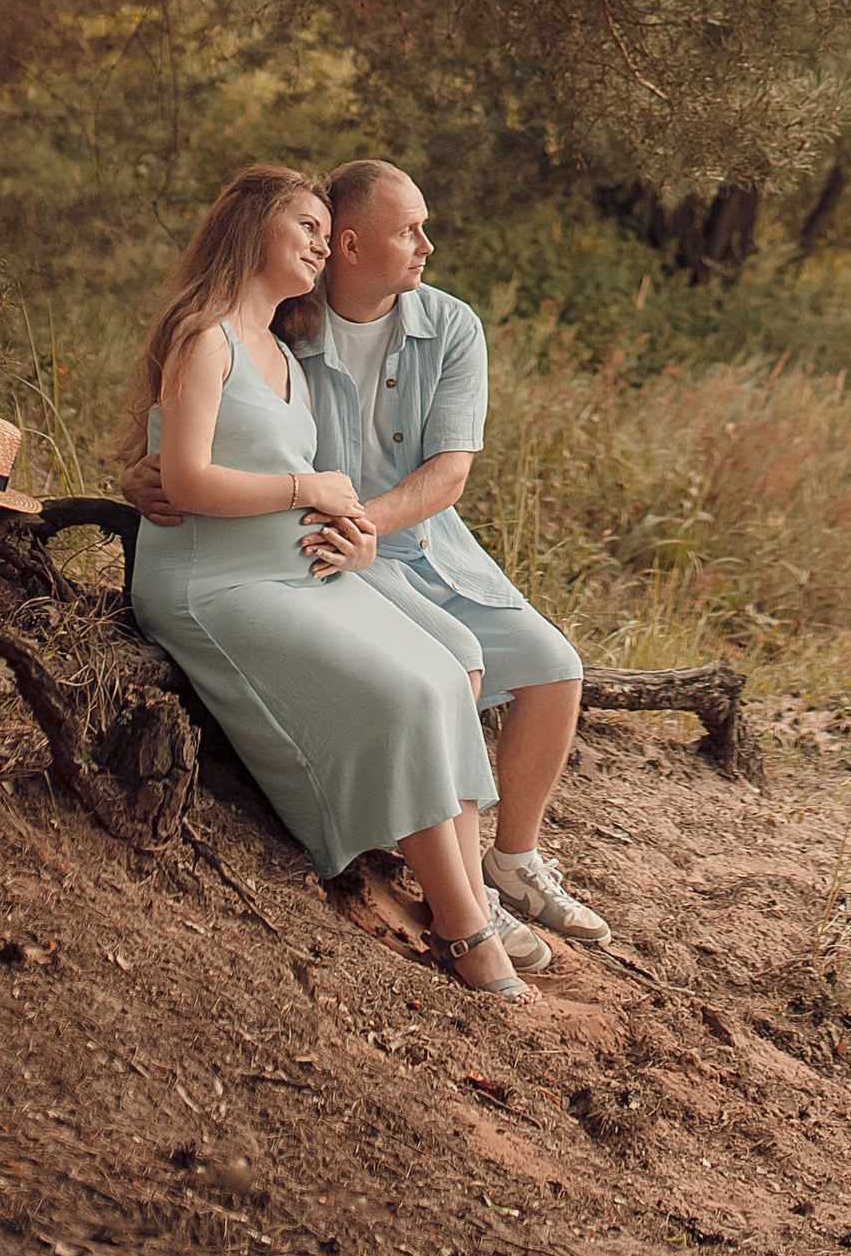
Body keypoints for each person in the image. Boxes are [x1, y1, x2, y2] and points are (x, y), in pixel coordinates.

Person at [124, 157, 610, 962]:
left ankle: (505, 866)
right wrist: (151, 471)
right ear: (352, 245)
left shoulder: (447, 327)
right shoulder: (288, 325)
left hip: (414, 544)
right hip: (310, 551)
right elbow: (198, 432)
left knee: (553, 665)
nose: (427, 244)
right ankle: (459, 895)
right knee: (443, 671)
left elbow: (450, 474)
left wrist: (355, 515)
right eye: (409, 230)